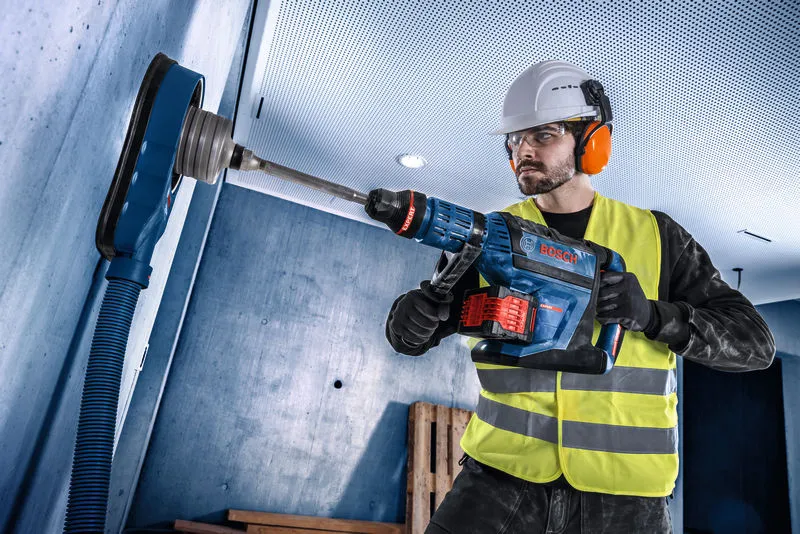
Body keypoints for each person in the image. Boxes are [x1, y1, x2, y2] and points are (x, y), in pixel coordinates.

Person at [384, 60, 776, 533]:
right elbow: (431, 324)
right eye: (515, 139)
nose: (524, 149)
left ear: (592, 142)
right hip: (500, 477)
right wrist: (410, 322)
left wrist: (654, 316)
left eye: (543, 135)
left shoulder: (657, 237)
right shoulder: (490, 234)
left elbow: (755, 345)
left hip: (624, 499)